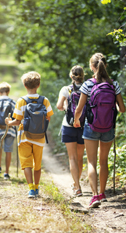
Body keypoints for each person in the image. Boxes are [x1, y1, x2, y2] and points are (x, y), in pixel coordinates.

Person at [73, 53, 126, 208]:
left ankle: (94, 196)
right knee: (103, 161)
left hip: (91, 126)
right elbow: (122, 109)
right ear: (105, 65)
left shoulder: (88, 84)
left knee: (91, 161)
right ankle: (103, 194)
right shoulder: (113, 84)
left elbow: (79, 108)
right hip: (108, 127)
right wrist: (110, 109)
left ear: (91, 66)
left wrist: (77, 121)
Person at [5, 71, 54, 198]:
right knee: (37, 165)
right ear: (38, 84)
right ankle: (37, 187)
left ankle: (31, 189)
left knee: (27, 163)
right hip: (39, 137)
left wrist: (8, 123)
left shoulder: (21, 101)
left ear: (24, 85)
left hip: (24, 137)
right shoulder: (45, 100)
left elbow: (17, 121)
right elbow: (49, 117)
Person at [56, 65, 85, 197]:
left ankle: (77, 187)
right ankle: (76, 183)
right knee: (80, 158)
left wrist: (67, 110)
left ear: (71, 76)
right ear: (83, 75)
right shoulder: (88, 87)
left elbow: (59, 106)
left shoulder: (66, 89)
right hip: (84, 126)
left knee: (72, 158)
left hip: (69, 125)